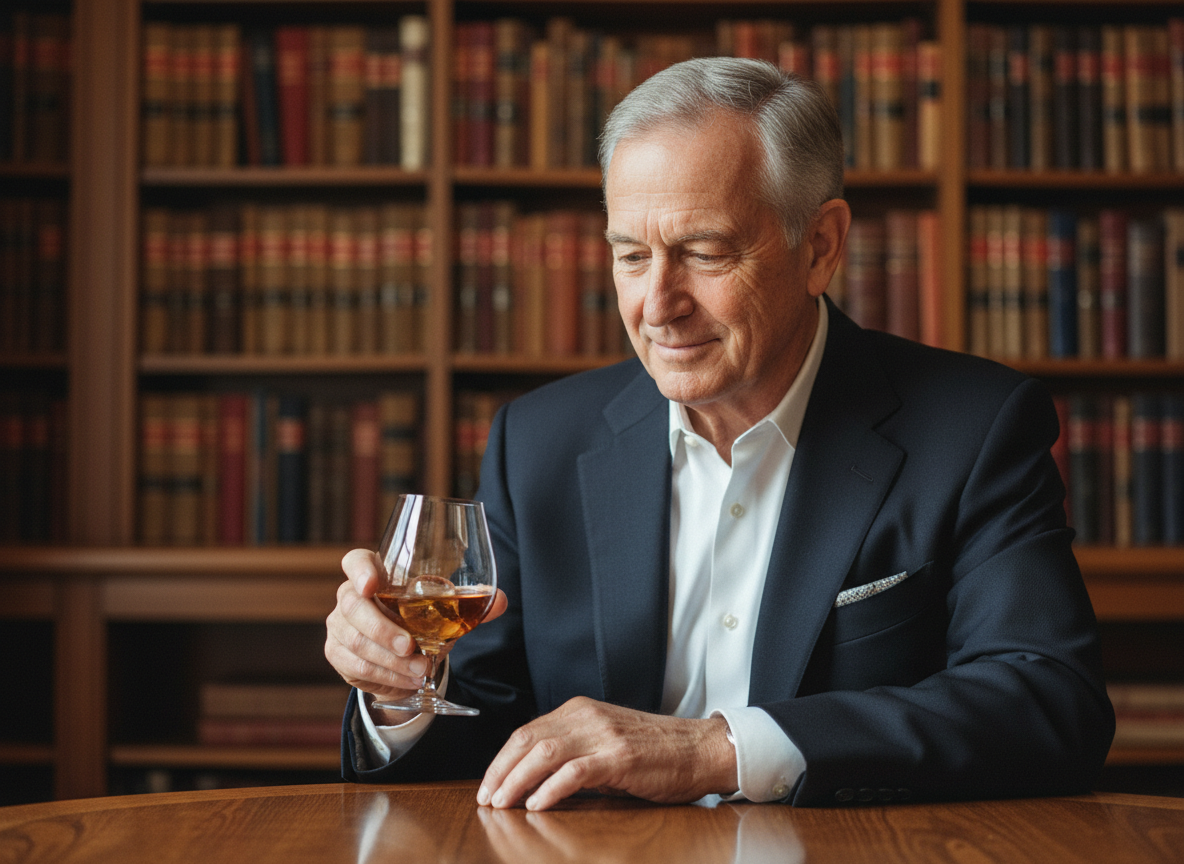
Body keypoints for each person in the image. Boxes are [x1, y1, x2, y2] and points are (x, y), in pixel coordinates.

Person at [324, 57, 1114, 810]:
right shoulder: (538, 441)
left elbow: (1046, 699)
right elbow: (483, 727)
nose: (658, 304)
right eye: (631, 256)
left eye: (703, 253)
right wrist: (398, 692)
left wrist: (715, 750)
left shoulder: (974, 427)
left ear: (821, 246)